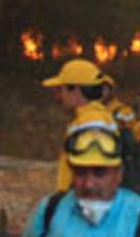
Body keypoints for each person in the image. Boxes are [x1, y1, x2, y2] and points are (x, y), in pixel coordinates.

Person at [23, 125, 140, 236]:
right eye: (80, 173)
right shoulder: (50, 211)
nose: (89, 184)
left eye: (99, 173)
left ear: (119, 174)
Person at [42, 59, 117, 192]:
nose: (58, 95)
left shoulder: (91, 120)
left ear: (76, 89)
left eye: (61, 89)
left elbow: (92, 172)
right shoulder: (92, 117)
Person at [101, 74, 140, 141]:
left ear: (111, 91)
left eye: (104, 89)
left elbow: (137, 129)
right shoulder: (90, 109)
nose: (100, 92)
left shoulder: (120, 110)